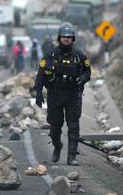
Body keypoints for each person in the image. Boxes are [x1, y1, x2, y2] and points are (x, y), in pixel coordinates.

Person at [34, 23, 91, 166]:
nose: (66, 39)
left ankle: (71, 157)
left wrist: (83, 79)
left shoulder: (79, 56)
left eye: (69, 37)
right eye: (64, 37)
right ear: (59, 38)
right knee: (54, 127)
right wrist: (38, 93)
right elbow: (40, 75)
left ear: (73, 39)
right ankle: (57, 146)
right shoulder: (50, 55)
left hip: (73, 95)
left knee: (73, 126)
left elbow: (87, 71)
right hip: (54, 95)